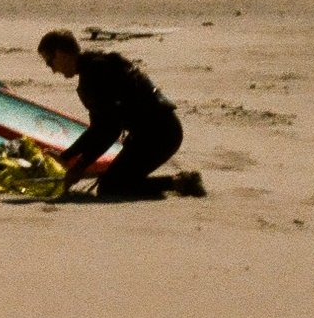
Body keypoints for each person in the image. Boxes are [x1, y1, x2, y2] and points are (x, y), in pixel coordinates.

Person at [35, 30, 202, 201]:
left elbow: (109, 130)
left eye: (49, 62)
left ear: (60, 54)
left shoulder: (93, 74)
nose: (53, 70)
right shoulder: (97, 63)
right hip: (159, 131)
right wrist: (69, 157)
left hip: (160, 135)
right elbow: (100, 129)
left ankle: (180, 183)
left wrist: (79, 164)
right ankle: (181, 182)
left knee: (111, 186)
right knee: (115, 181)